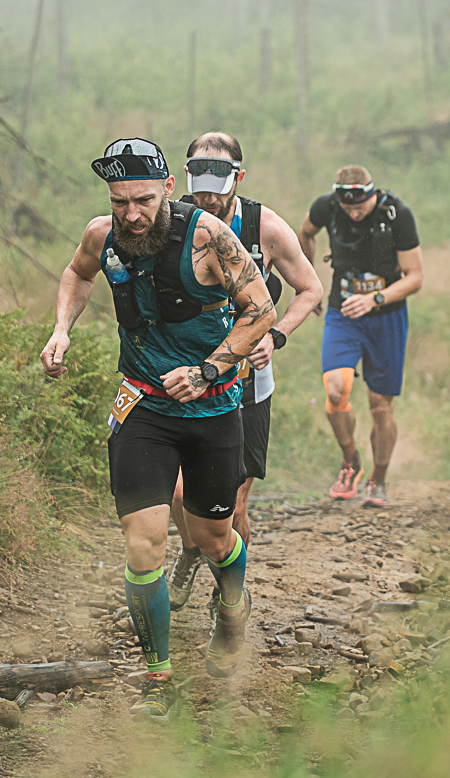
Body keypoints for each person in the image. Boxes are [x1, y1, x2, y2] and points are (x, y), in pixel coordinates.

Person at [41, 138, 275, 721]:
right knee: (143, 543)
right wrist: (61, 330)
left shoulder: (208, 238)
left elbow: (261, 311)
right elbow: (76, 273)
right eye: (120, 202)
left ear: (168, 187)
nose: (132, 214)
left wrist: (209, 369)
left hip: (213, 405)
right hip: (141, 403)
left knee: (212, 537)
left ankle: (234, 605)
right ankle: (158, 678)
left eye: (142, 200)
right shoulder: (103, 234)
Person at [166, 131, 324, 611]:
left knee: (233, 504)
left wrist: (275, 338)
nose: (209, 191)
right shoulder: (172, 223)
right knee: (176, 493)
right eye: (198, 175)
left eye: (220, 177)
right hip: (184, 376)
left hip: (247, 385)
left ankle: (227, 600)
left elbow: (311, 289)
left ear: (239, 176)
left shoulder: (265, 227)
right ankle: (192, 547)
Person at [298, 165, 424, 509]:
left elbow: (415, 277)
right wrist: (309, 280)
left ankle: (378, 481)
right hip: (343, 314)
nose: (354, 213)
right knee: (335, 389)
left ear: (372, 194)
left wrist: (375, 298)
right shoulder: (327, 207)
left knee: (380, 407)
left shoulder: (397, 215)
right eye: (348, 207)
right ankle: (350, 461)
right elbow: (304, 233)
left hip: (386, 315)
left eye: (361, 207)